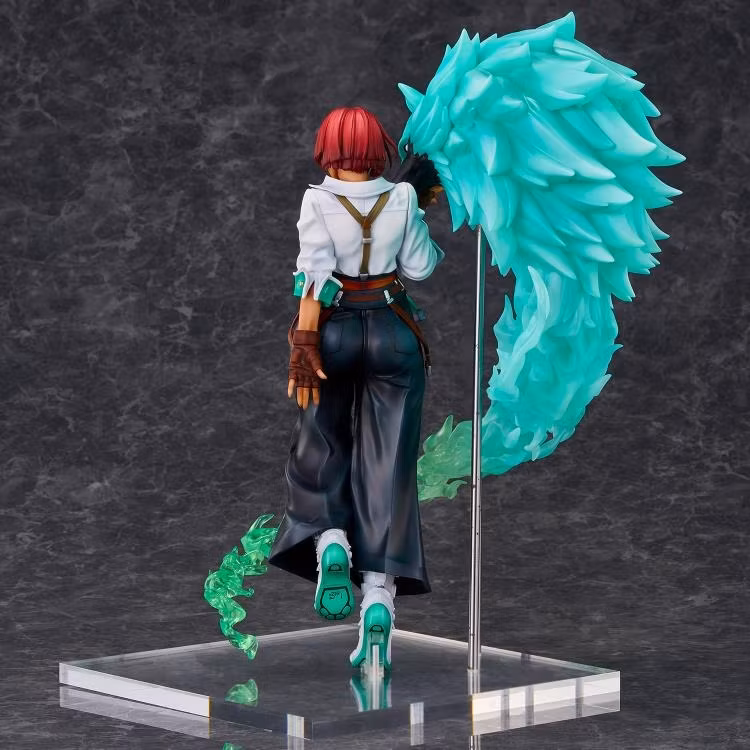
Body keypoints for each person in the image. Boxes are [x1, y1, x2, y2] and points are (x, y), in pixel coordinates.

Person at [267, 106, 444, 670]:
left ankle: (330, 541)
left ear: (328, 149)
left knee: (318, 442)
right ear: (377, 148)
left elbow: (313, 275)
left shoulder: (317, 201)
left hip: (334, 332)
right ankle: (378, 598)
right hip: (392, 330)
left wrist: (304, 343)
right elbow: (421, 268)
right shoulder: (403, 198)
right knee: (389, 465)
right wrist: (415, 210)